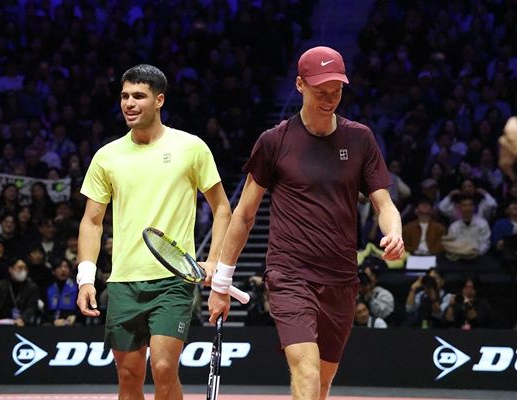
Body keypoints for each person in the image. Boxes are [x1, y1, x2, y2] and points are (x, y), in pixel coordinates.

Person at [208, 46, 404, 400]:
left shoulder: (360, 138)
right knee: (307, 373)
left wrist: (394, 233)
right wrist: (222, 282)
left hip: (341, 279)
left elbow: (383, 203)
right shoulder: (274, 142)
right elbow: (245, 214)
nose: (329, 100)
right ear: (300, 85)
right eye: (320, 92)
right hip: (290, 276)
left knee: (322, 385)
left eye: (336, 91)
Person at [75, 64, 231, 400]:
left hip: (173, 280)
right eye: (124, 96)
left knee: (163, 367)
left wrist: (213, 260)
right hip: (124, 281)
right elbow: (91, 221)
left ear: (159, 100)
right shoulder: (107, 157)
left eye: (138, 96)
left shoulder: (191, 148)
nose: (129, 103)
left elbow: (222, 208)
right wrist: (85, 278)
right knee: (129, 376)